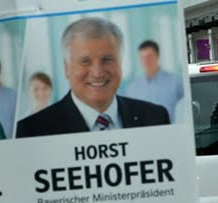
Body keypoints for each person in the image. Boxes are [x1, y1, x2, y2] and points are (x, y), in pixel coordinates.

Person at [15, 17, 170, 138]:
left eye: (107, 60)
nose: (97, 72)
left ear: (120, 62)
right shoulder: (32, 130)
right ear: (66, 68)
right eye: (85, 61)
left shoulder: (156, 118)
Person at [124, 40, 184, 123]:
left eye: (149, 56)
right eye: (142, 57)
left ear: (158, 56)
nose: (146, 61)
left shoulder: (176, 82)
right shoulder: (131, 88)